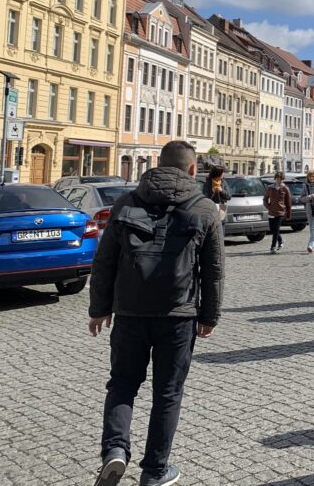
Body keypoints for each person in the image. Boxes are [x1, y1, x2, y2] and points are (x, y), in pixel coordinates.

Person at [88, 140, 224, 486]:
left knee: (122, 384)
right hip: (178, 315)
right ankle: (154, 471)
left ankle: (115, 450)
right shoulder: (205, 208)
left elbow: (104, 262)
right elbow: (213, 270)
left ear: (157, 165)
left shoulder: (125, 202)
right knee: (167, 394)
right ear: (193, 170)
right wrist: (209, 316)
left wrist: (99, 309)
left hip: (130, 313)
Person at [263, 171, 292, 253]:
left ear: (283, 180)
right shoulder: (270, 188)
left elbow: (288, 202)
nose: (279, 181)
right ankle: (281, 240)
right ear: (275, 179)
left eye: (281, 179)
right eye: (278, 179)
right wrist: (268, 207)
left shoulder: (285, 189)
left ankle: (273, 247)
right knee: (272, 229)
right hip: (271, 212)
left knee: (276, 229)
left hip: (280, 212)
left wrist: (288, 214)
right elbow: (265, 199)